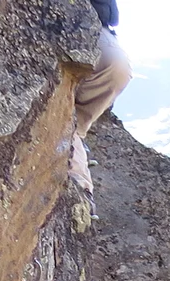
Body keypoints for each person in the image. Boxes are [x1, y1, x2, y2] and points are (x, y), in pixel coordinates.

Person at [72, 0, 134, 190]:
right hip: (106, 46)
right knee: (71, 128)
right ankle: (78, 189)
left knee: (65, 128)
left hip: (91, 37)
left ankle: (77, 184)